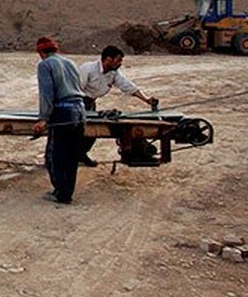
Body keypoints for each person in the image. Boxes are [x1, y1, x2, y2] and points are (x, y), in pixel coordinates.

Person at [78, 45, 158, 166]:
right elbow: (76, 89)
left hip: (91, 103)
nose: (120, 63)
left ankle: (81, 155)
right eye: (118, 60)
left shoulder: (113, 73)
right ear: (109, 59)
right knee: (77, 131)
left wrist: (146, 99)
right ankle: (68, 157)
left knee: (93, 132)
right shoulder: (88, 69)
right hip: (78, 102)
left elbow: (127, 86)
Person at [31, 36, 85, 205]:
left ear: (41, 52)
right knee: (72, 156)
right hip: (80, 112)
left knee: (56, 156)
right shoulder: (70, 62)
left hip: (62, 114)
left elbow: (47, 94)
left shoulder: (45, 65)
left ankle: (62, 194)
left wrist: (44, 118)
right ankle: (68, 190)